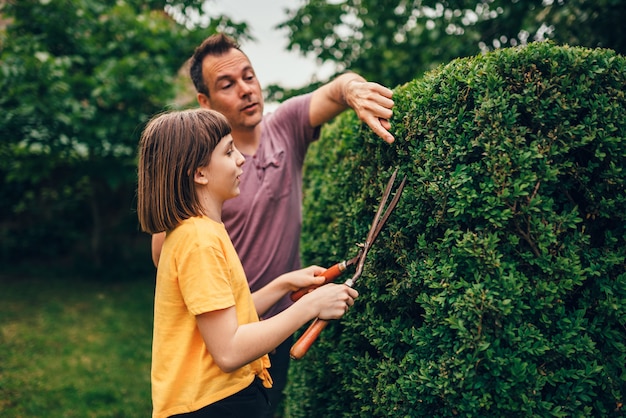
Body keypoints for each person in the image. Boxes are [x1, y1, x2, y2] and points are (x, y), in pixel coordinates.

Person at [151, 33, 394, 416]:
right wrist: (311, 303)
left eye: (249, 76)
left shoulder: (284, 128)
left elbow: (334, 91)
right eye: (227, 85)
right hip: (218, 365)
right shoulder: (196, 231)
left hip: (257, 341)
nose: (246, 90)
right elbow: (179, 275)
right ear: (206, 102)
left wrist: (355, 90)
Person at [137, 108, 358, 418]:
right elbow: (228, 350)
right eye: (229, 152)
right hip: (213, 405)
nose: (241, 159)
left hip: (215, 400)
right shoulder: (199, 240)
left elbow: (223, 320)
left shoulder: (201, 230)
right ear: (199, 173)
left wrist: (282, 286)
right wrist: (310, 307)